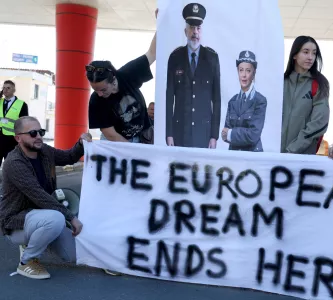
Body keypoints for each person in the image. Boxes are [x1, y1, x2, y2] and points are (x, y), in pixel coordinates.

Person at [0, 116, 91, 279]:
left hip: (42, 216)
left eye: (41, 132)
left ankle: (36, 240)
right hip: (16, 221)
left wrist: (80, 144)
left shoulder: (44, 151)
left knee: (72, 255)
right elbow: (40, 196)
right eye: (33, 133)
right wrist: (71, 218)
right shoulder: (14, 162)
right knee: (56, 218)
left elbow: (68, 157)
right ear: (18, 138)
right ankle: (26, 261)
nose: (39, 137)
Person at [88, 10, 157, 144]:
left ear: (113, 80)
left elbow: (152, 53)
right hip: (116, 141)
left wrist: (160, 23)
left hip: (143, 135)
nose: (99, 94)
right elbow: (110, 134)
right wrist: (132, 151)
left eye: (102, 89)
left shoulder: (128, 74)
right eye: (95, 90)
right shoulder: (96, 100)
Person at [165, 2, 221, 149]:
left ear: (202, 32)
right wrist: (169, 133)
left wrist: (214, 136)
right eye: (191, 27)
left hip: (204, 133)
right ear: (185, 31)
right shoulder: (175, 57)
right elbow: (169, 97)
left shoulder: (212, 58)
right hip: (179, 132)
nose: (195, 32)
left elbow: (217, 100)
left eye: (198, 28)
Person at [281, 36, 330, 154]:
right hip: (274, 154)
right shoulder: (281, 82)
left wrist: (293, 149)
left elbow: (319, 122)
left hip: (302, 156)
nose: (310, 57)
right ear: (294, 55)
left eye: (314, 53)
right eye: (305, 52)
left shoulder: (319, 83)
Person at [221, 50, 267, 151]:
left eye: (248, 70)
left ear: (254, 73)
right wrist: (230, 134)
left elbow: (253, 135)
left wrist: (231, 133)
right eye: (241, 70)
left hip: (252, 156)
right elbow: (224, 134)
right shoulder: (232, 101)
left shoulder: (260, 101)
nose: (244, 75)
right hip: (234, 155)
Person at [0, 80, 29, 167]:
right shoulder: (0, 101)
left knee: (10, 165)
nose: (5, 90)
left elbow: (24, 124)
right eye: (3, 88)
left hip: (12, 140)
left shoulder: (22, 104)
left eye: (8, 88)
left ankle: (9, 180)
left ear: (14, 90)